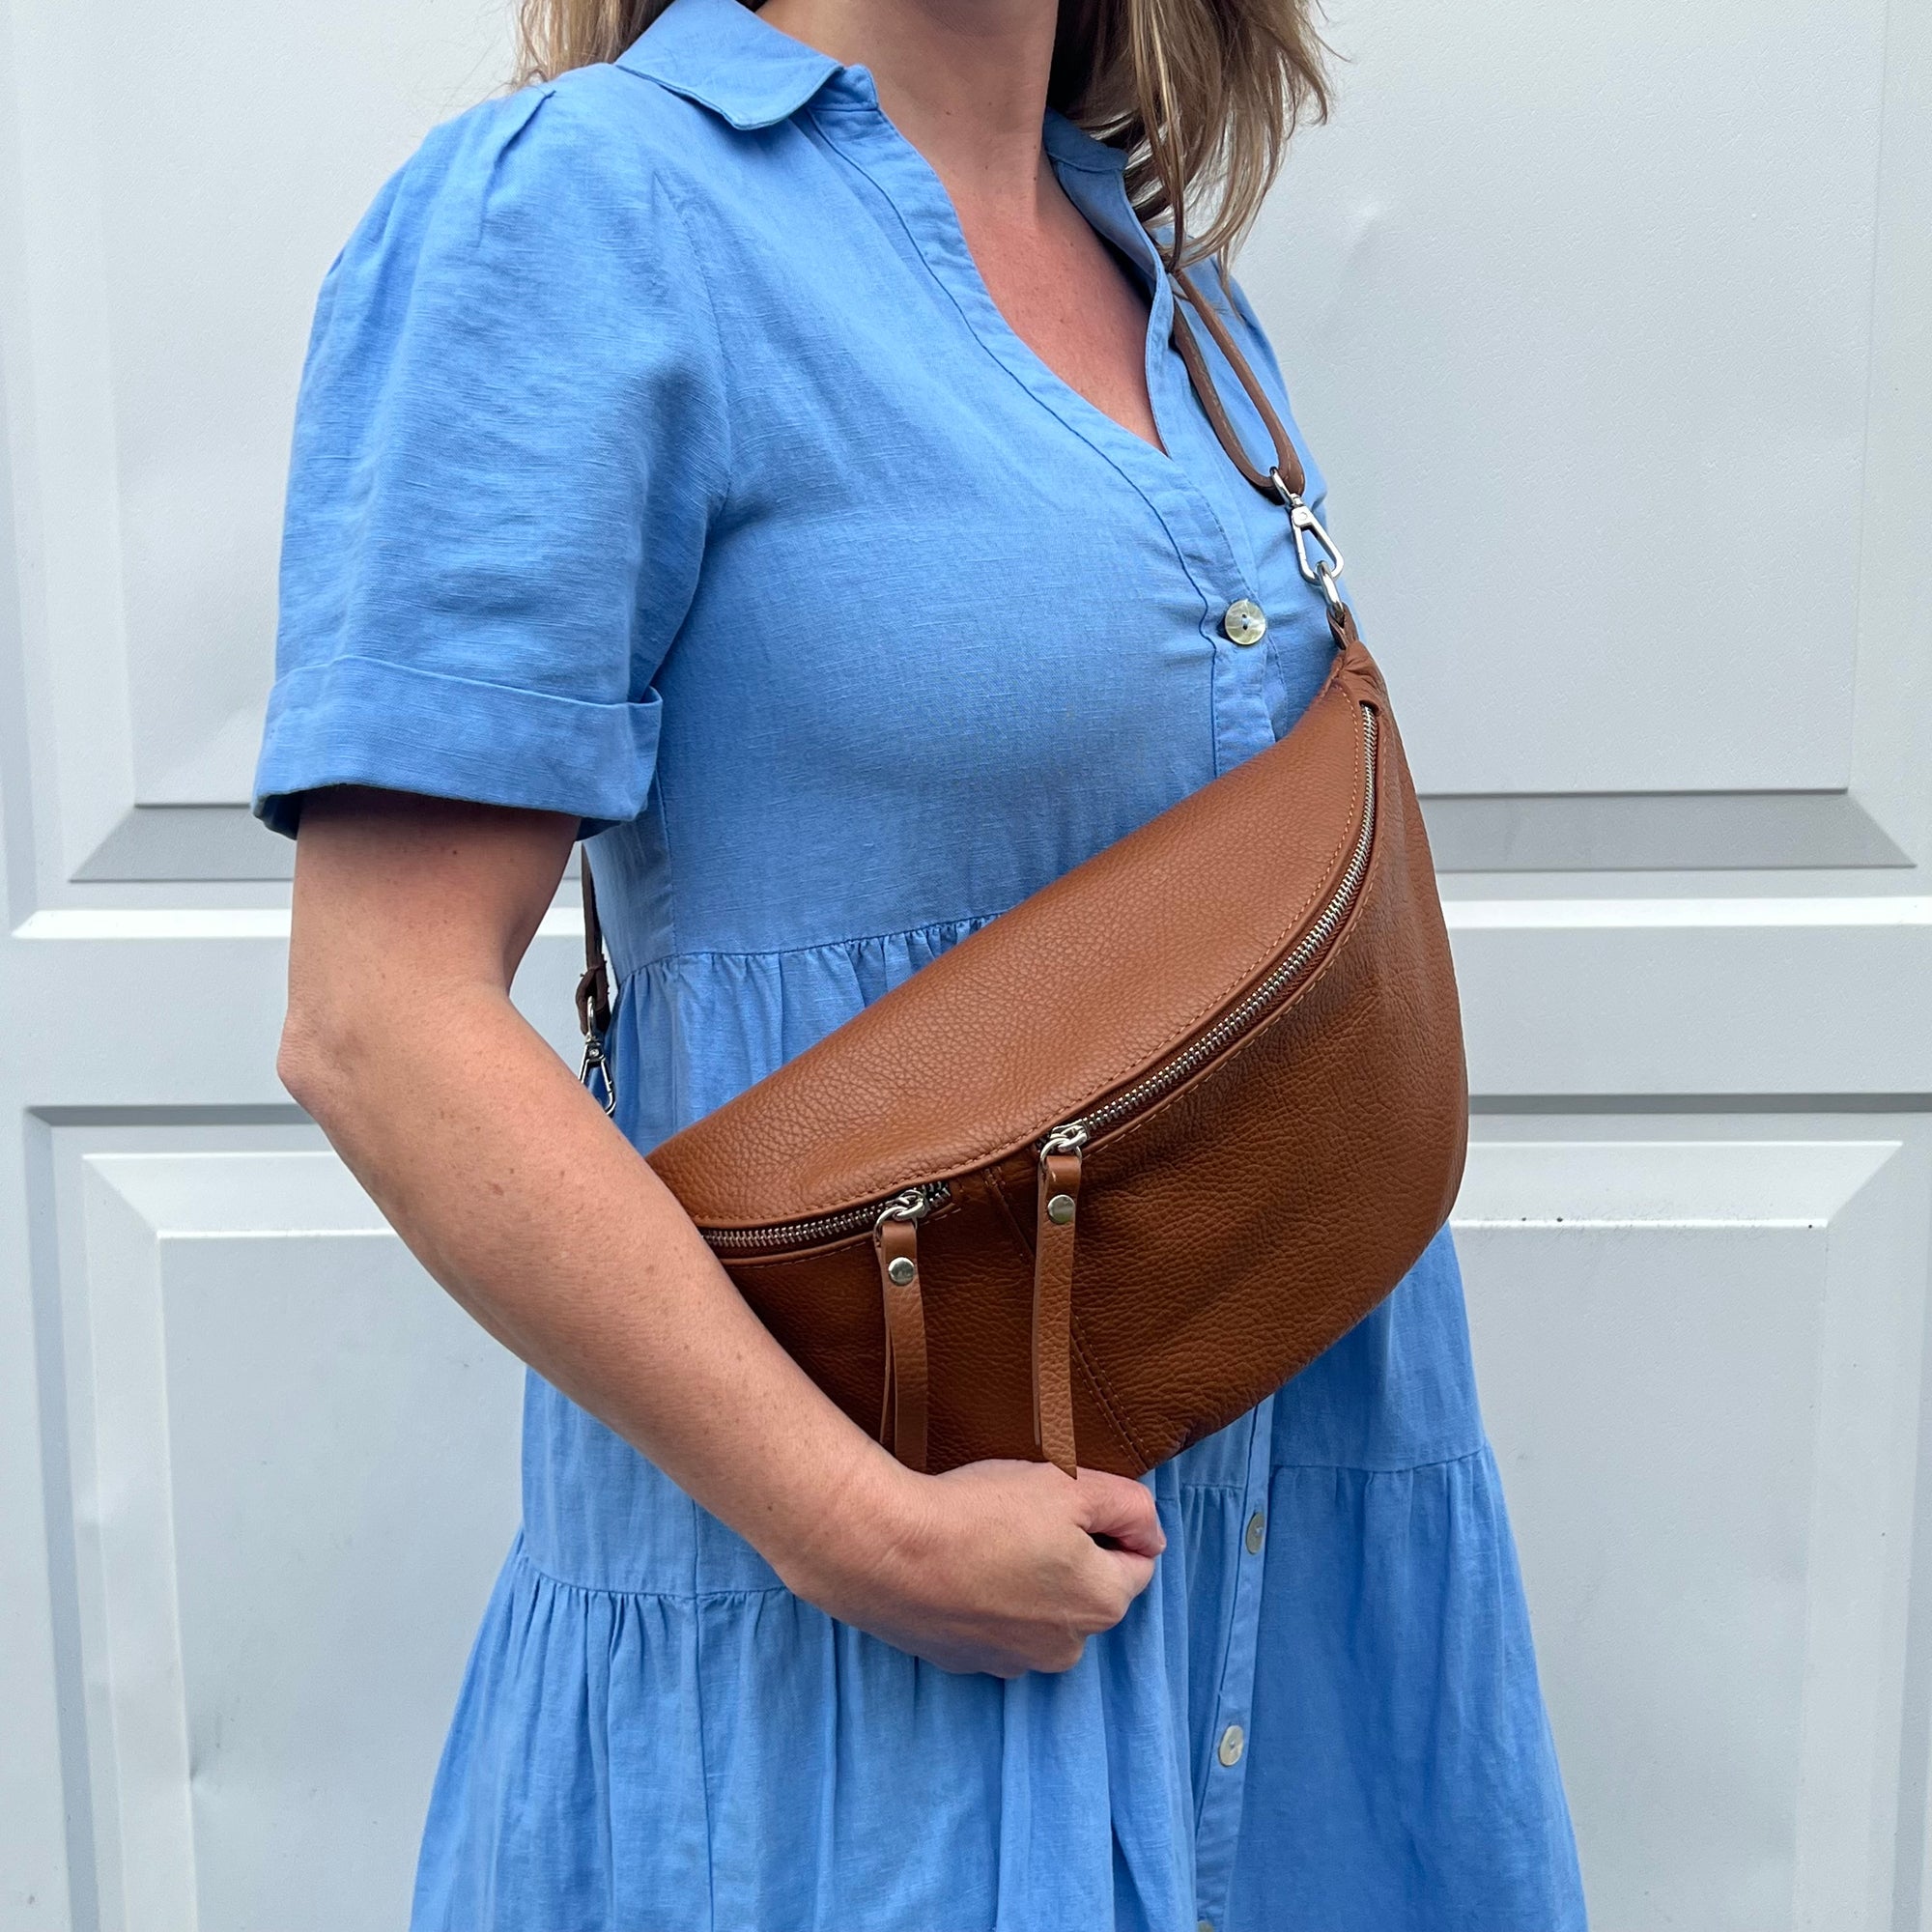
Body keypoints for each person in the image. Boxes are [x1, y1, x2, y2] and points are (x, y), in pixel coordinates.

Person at [250, 0, 1588, 1923]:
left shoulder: (1163, 274)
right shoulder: (582, 215)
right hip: (880, 1642)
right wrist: (855, 1527)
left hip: (1280, 1561)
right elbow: (377, 1016)